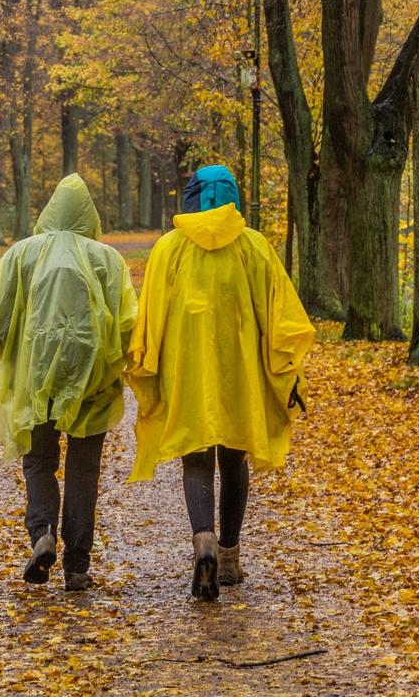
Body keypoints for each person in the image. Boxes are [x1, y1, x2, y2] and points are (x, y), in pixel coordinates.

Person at [125, 165, 314, 601]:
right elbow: (279, 318)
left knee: (195, 458)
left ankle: (203, 541)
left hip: (186, 373)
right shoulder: (254, 246)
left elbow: (151, 317)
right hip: (239, 376)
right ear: (233, 198)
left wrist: (144, 365)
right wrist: (286, 374)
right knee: (233, 459)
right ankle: (229, 556)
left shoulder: (169, 249)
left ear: (191, 197)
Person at [0, 173, 137, 591]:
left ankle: (43, 533)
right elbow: (129, 325)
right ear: (90, 215)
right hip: (92, 382)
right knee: (84, 469)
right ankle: (77, 566)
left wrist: (16, 351)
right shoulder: (107, 259)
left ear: (48, 211)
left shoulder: (21, 255)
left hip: (34, 378)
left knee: (40, 461)